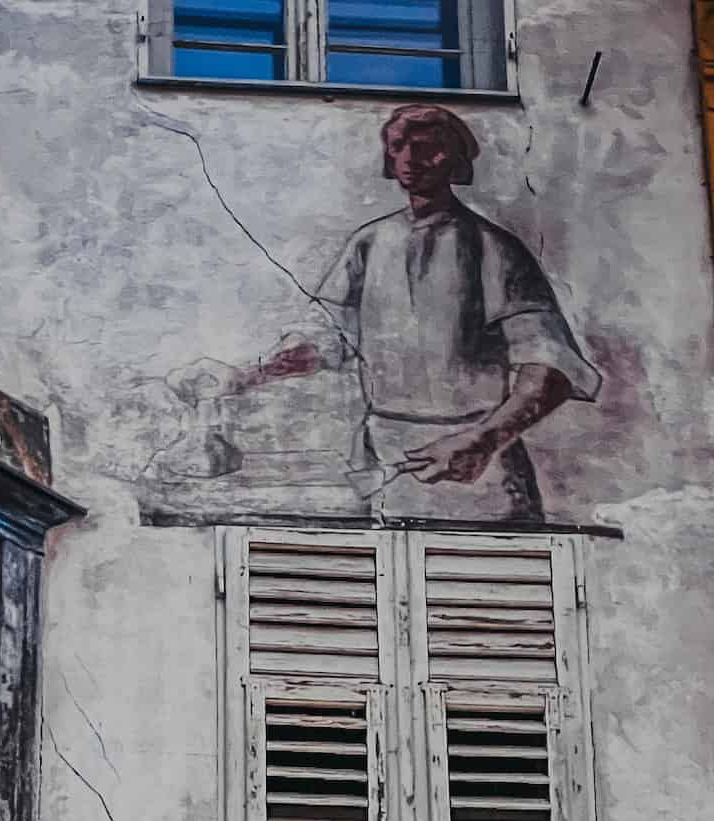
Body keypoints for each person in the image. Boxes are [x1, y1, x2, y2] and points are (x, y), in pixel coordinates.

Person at [185, 103, 601, 522]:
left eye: (428, 148)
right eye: (400, 146)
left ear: (456, 159)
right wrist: (247, 375)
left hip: (477, 471)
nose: (410, 159)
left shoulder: (494, 249)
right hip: (385, 459)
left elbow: (551, 369)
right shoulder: (369, 242)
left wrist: (484, 439)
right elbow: (327, 338)